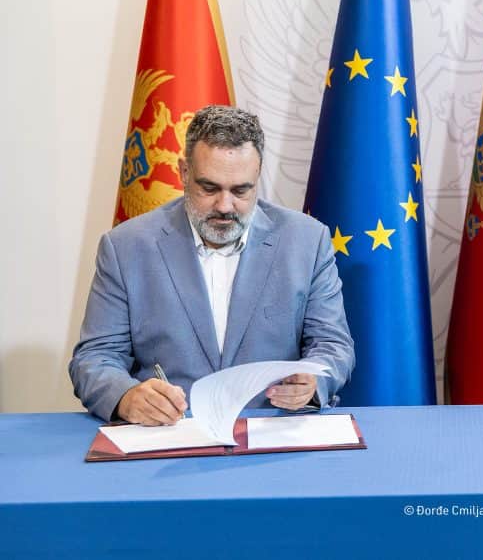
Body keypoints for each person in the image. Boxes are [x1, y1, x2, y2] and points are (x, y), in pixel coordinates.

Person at [70, 106, 355, 425]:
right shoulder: (125, 247)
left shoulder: (307, 241)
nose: (224, 206)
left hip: (273, 429)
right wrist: (126, 396)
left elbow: (333, 345)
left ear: (257, 176)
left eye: (241, 190)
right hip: (170, 433)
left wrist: (314, 382)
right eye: (209, 188)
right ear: (183, 172)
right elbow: (95, 358)